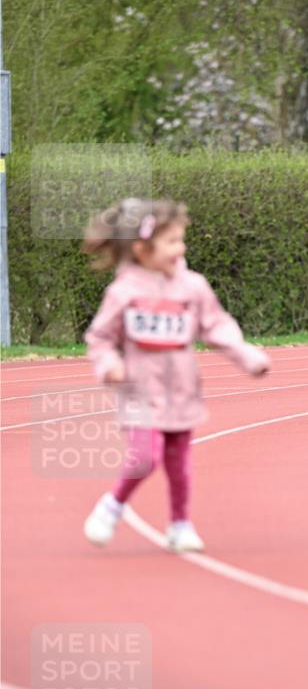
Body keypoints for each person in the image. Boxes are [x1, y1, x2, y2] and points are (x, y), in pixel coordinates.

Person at [82, 197, 270, 552]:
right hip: (139, 391)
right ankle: (112, 506)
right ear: (142, 249)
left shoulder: (193, 287)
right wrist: (109, 366)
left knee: (179, 463)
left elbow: (215, 325)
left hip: (181, 390)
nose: (179, 249)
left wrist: (246, 355)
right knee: (146, 457)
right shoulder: (124, 291)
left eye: (181, 240)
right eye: (171, 241)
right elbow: (100, 338)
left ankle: (180, 524)